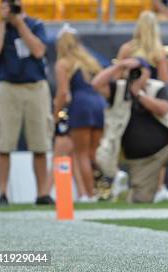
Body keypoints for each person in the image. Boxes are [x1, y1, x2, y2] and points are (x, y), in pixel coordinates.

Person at [92, 57, 168, 204]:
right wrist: (120, 65)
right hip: (142, 159)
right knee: (140, 200)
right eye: (133, 71)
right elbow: (96, 84)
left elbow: (163, 108)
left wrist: (139, 94)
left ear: (148, 72)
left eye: (139, 71)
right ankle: (130, 191)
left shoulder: (156, 87)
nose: (135, 74)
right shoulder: (119, 89)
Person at [0, 0, 54, 206]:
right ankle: (3, 193)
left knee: (40, 143)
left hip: (35, 87)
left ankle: (42, 193)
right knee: (3, 142)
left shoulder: (34, 25)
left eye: (12, 5)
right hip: (8, 88)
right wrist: (3, 22)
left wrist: (19, 23)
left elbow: (38, 50)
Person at [116, 11, 168, 202]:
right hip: (154, 101)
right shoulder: (159, 51)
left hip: (132, 103)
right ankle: (159, 187)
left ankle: (135, 183)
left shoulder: (127, 49)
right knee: (160, 144)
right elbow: (165, 80)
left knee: (132, 143)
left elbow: (119, 77)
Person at [53, 25, 105, 202]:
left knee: (80, 154)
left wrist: (55, 114)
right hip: (98, 105)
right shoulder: (90, 60)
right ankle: (104, 187)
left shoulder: (63, 63)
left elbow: (63, 94)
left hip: (80, 106)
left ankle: (88, 194)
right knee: (93, 154)